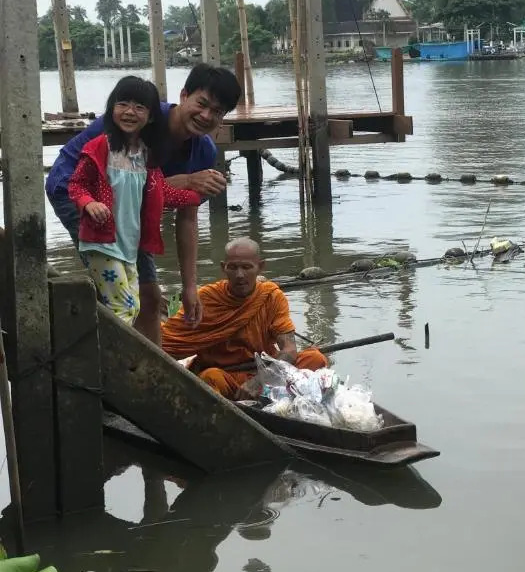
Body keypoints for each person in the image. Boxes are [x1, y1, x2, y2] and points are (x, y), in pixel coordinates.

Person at [46, 63, 241, 344]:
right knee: (117, 294)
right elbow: (115, 181)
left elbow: (187, 219)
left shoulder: (203, 151)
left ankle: (152, 365)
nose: (206, 116)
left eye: (217, 112)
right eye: (201, 104)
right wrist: (186, 181)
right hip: (78, 191)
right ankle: (106, 358)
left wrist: (189, 287)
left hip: (127, 205)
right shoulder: (141, 117)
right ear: (183, 95)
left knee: (149, 296)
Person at [67, 77, 203, 324]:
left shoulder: (146, 156)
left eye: (139, 107)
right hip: (101, 243)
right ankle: (111, 350)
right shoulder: (100, 147)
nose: (130, 112)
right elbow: (76, 184)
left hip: (128, 245)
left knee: (134, 305)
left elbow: (162, 191)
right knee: (123, 308)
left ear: (150, 117)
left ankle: (105, 345)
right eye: (122, 104)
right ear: (112, 109)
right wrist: (89, 203)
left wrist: (195, 196)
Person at [161, 237, 328, 399]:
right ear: (223, 268)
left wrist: (259, 381)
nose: (240, 275)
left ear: (260, 267)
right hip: (226, 375)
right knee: (211, 377)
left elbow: (289, 350)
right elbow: (166, 342)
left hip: (266, 372)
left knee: (315, 359)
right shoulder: (206, 298)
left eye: (247, 267)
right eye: (233, 267)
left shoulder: (271, 296)